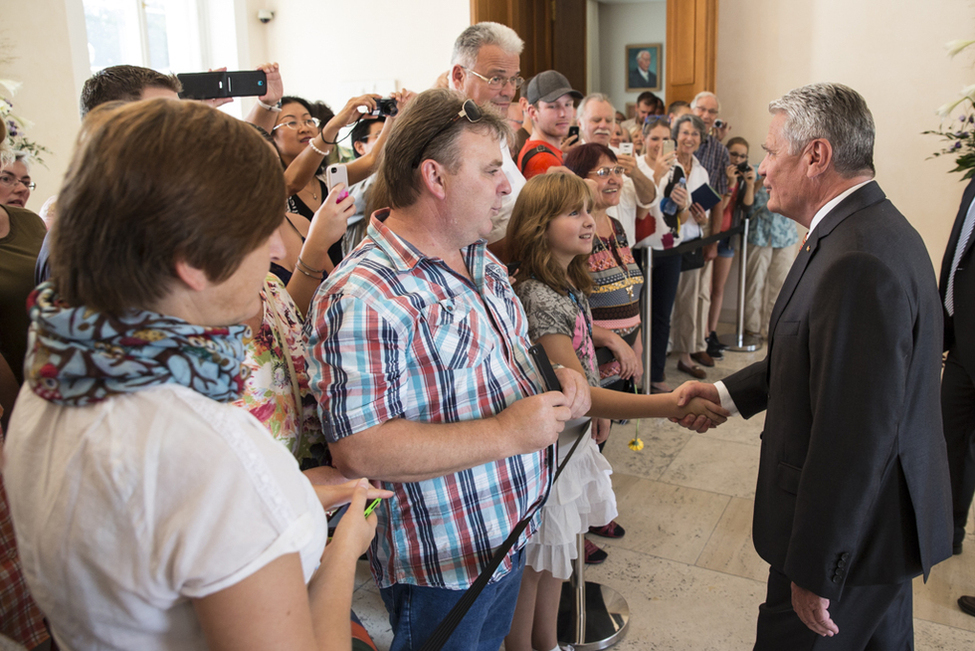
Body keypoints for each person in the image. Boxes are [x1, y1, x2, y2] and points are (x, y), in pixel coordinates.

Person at [4, 98, 392, 651]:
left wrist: (293, 495)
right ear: (194, 258)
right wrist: (340, 555)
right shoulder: (210, 450)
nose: (280, 247)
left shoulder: (57, 372)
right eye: (261, 231)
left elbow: (164, 532)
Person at [305, 88, 591, 651]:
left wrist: (555, 382)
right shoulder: (364, 292)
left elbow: (495, 366)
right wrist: (509, 433)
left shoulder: (478, 254)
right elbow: (360, 449)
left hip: (508, 531)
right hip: (445, 564)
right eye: (491, 171)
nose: (509, 185)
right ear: (436, 177)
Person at [677, 82, 953, 649]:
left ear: (816, 156)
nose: (762, 166)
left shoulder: (858, 260)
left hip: (850, 543)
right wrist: (729, 396)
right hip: (876, 534)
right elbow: (817, 354)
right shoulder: (863, 229)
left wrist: (818, 568)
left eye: (773, 151)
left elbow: (854, 434)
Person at [504, 172, 726, 651]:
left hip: (569, 440)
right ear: (540, 224)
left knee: (556, 562)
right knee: (537, 566)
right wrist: (666, 403)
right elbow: (577, 389)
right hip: (547, 450)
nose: (590, 222)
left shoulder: (565, 281)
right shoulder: (537, 294)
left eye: (589, 210)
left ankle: (547, 642)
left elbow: (581, 368)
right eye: (575, 213)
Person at [448, 21, 528, 255]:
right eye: (496, 79)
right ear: (459, 75)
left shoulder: (494, 130)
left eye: (514, 79)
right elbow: (456, 247)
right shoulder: (442, 140)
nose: (509, 91)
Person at [633, 118, 689, 393]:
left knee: (662, 314)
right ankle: (634, 375)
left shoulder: (677, 168)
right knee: (636, 315)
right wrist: (655, 173)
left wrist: (683, 205)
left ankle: (656, 374)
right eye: (655, 138)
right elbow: (638, 210)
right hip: (641, 249)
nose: (660, 145)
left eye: (666, 139)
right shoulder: (637, 166)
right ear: (643, 139)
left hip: (670, 248)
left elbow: (683, 215)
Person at [940, 174, 975, 557]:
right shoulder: (973, 184)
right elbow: (957, 256)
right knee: (951, 441)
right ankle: (948, 531)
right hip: (962, 341)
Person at [666, 114, 713, 379]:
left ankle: (685, 355)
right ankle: (660, 352)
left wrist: (702, 219)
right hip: (668, 243)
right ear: (676, 134)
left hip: (692, 240)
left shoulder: (701, 169)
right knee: (664, 303)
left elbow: (701, 211)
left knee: (688, 302)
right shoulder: (667, 163)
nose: (689, 138)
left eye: (695, 134)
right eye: (685, 132)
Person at [576, 93, 656, 246]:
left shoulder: (627, 158)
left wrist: (636, 174)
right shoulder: (572, 160)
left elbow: (649, 199)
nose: (603, 125)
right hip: (588, 254)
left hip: (625, 251)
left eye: (609, 120)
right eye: (596, 120)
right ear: (580, 122)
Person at [690, 91, 731, 360]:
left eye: (712, 112)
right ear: (691, 110)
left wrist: (713, 240)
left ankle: (698, 344)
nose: (706, 116)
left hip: (703, 227)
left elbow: (718, 200)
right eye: (702, 110)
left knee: (701, 290)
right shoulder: (676, 141)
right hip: (673, 226)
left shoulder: (719, 151)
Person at [706, 136, 755, 351]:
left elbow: (747, 208)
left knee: (718, 288)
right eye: (733, 154)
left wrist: (750, 184)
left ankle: (712, 331)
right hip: (711, 235)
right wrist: (729, 184)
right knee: (705, 288)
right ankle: (702, 334)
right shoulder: (716, 175)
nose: (737, 159)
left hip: (729, 237)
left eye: (742, 156)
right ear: (726, 153)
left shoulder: (743, 180)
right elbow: (715, 206)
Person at [743, 162, 798, 340]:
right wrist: (764, 180)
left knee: (781, 287)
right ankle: (752, 329)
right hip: (759, 234)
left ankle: (773, 329)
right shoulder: (758, 169)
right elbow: (748, 204)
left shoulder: (797, 171)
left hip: (786, 236)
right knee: (754, 284)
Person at [517, 70, 582, 179]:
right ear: (533, 112)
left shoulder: (544, 151)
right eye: (553, 106)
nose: (563, 114)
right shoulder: (543, 160)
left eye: (568, 104)